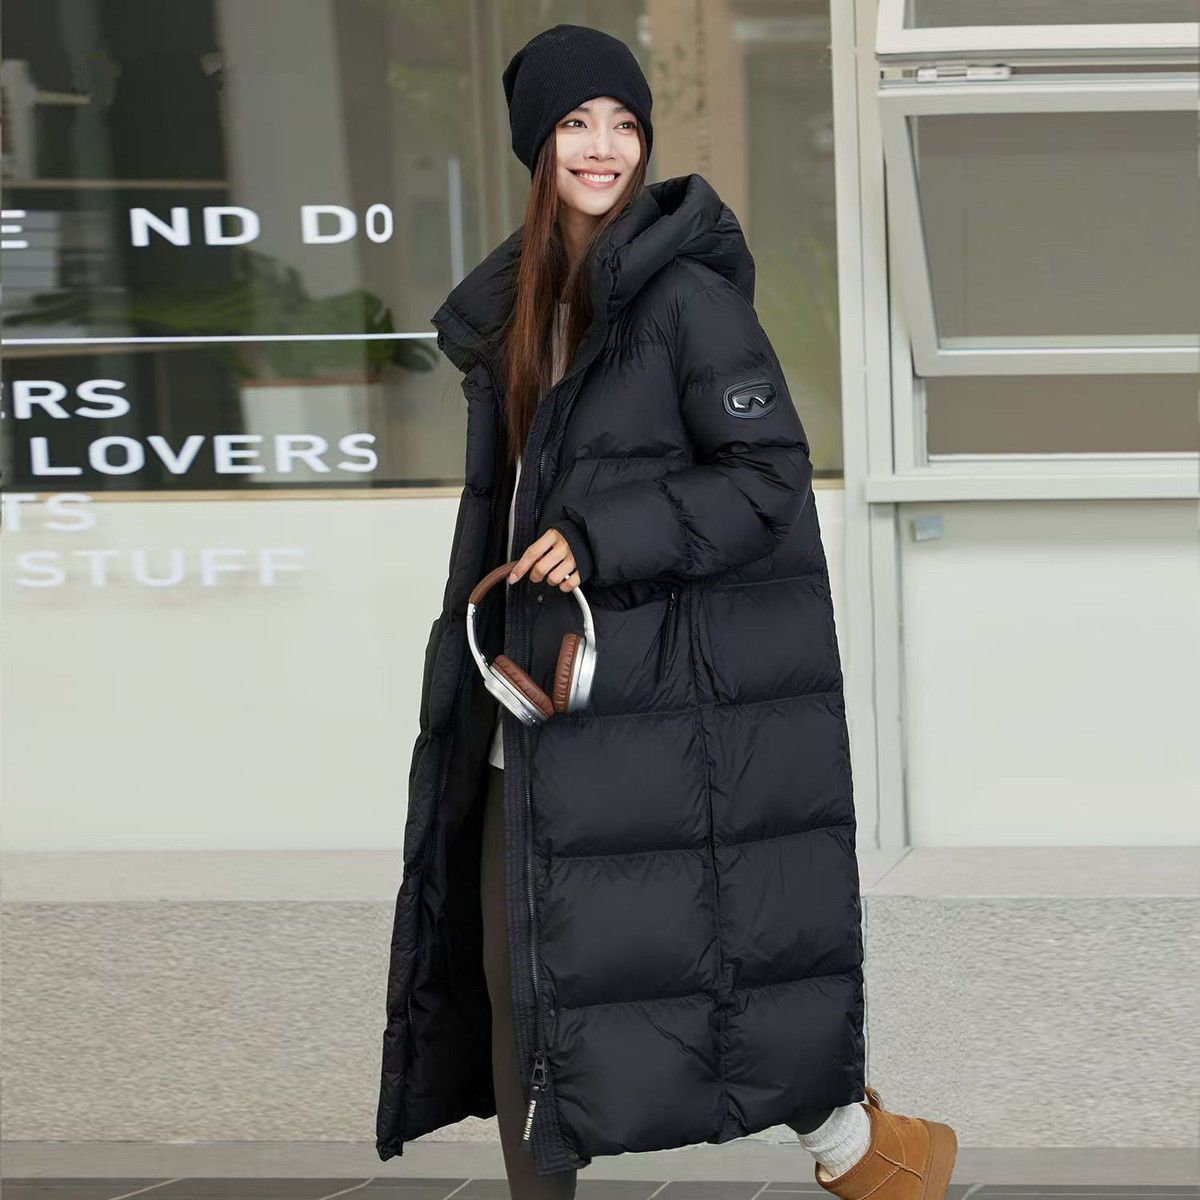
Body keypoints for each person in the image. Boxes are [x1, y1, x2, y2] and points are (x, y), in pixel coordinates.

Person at [377, 24, 957, 1200]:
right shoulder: (519, 312)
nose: (604, 146)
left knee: (665, 969)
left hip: (643, 702)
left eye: (624, 123)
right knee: (516, 980)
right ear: (536, 144)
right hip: (528, 698)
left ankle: (855, 1144)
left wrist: (602, 536)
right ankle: (848, 1146)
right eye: (576, 123)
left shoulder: (688, 301)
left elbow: (766, 477)